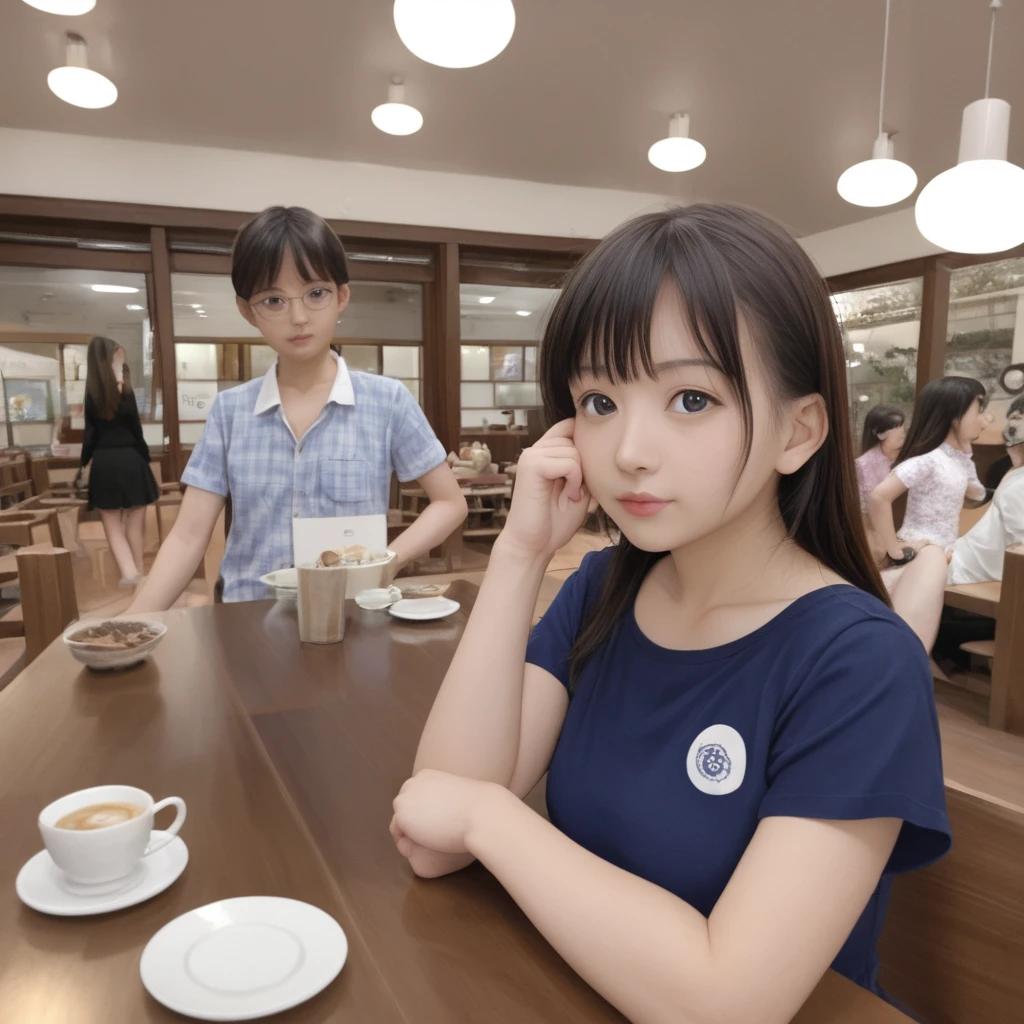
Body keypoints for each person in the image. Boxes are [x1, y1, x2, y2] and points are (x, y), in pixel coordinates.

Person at [390, 205, 950, 1021]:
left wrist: (487, 819)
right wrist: (517, 558)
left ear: (800, 432)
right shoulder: (603, 587)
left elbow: (727, 1002)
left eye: (691, 398)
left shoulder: (859, 664)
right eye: (598, 401)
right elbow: (435, 836)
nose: (628, 452)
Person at [129, 206, 466, 610]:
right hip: (248, 623)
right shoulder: (230, 411)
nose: (299, 316)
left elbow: (450, 502)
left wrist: (384, 563)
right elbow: (187, 535)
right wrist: (138, 618)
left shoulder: (387, 400)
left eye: (316, 293)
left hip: (352, 616)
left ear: (342, 296)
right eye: (274, 299)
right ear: (247, 310)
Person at [867, 376, 991, 649]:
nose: (984, 419)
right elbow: (878, 497)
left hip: (946, 550)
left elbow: (978, 494)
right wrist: (895, 551)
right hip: (921, 549)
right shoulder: (929, 461)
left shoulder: (958, 463)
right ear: (954, 414)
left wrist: (967, 453)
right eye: (978, 409)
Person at [79, 336, 159, 586]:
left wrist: (84, 462)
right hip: (131, 459)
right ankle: (137, 572)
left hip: (104, 462)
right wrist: (144, 459)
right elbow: (136, 429)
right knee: (135, 524)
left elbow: (90, 433)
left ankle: (129, 574)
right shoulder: (125, 390)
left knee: (112, 525)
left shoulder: (92, 392)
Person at [948, 395, 1024, 585]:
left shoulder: (1017, 485)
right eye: (1012, 418)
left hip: (972, 573)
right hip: (966, 559)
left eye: (1018, 418)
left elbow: (1019, 550)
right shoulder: (1008, 471)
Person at [855, 404, 905, 511]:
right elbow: (861, 510)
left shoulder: (910, 458)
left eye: (901, 426)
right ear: (879, 433)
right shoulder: (862, 465)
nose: (901, 432)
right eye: (895, 427)